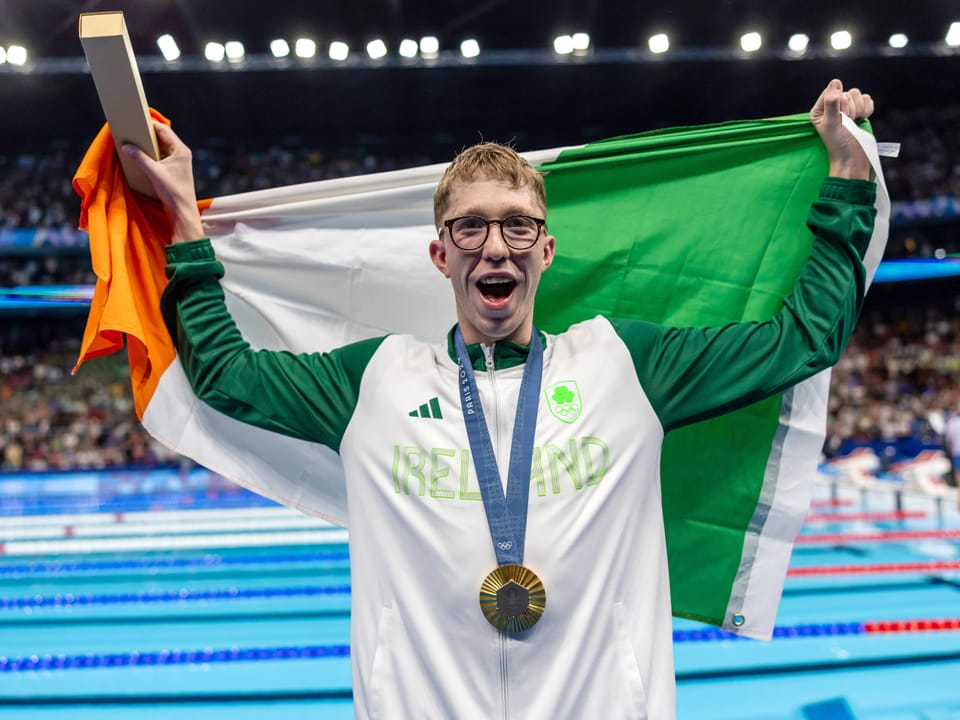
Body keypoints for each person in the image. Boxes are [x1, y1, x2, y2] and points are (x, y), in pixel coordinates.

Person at [124, 78, 876, 719]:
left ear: (546, 250)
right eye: (471, 226)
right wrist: (186, 221)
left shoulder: (626, 366)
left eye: (519, 225)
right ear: (439, 253)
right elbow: (227, 375)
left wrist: (845, 181)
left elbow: (800, 340)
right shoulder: (373, 381)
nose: (496, 245)